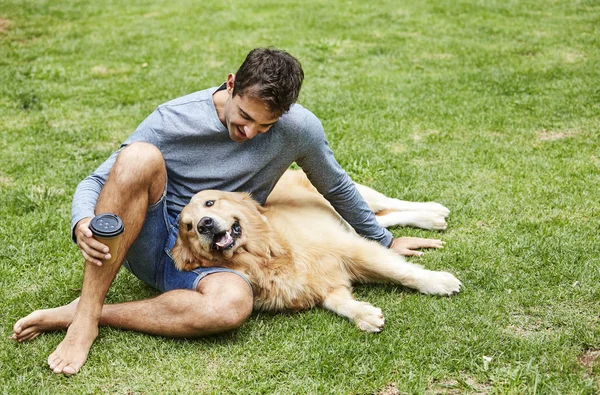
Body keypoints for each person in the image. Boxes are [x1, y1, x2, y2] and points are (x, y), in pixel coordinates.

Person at [11, 48, 444, 375]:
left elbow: (335, 185)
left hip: (220, 256)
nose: (249, 132)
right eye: (243, 118)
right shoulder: (173, 119)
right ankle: (84, 317)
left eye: (265, 126)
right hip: (155, 238)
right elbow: (93, 181)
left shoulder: (299, 130)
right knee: (139, 156)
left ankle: (92, 312)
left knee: (231, 308)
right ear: (231, 83)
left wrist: (383, 240)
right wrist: (83, 220)